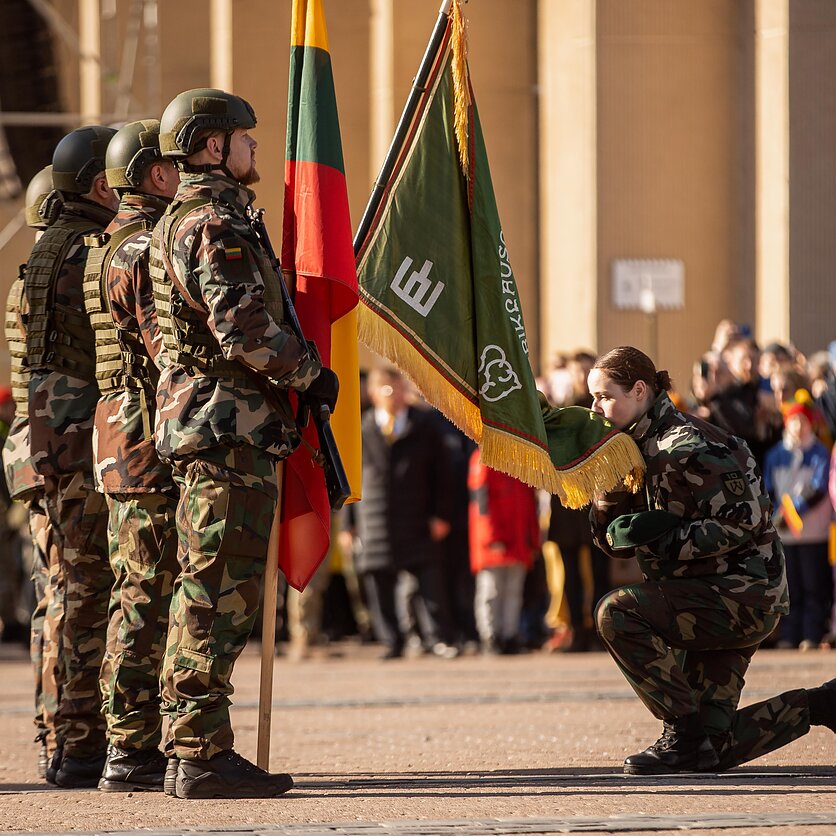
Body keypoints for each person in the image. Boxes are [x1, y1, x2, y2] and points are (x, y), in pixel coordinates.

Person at [150, 88, 337, 799]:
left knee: (205, 585)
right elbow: (245, 331)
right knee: (216, 591)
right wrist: (311, 374)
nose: (255, 148)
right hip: (227, 425)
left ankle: (188, 749)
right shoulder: (210, 222)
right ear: (210, 145)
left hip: (217, 422)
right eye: (244, 137)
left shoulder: (198, 216)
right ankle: (199, 752)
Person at [587, 345, 834, 776]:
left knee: (616, 613)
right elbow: (616, 542)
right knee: (710, 750)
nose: (595, 408)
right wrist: (607, 501)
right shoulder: (631, 449)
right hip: (703, 594)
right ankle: (824, 704)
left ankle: (680, 735)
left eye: (605, 396)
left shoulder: (690, 443)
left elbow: (746, 520)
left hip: (741, 595)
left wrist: (667, 540)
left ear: (640, 390)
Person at [82, 120, 181, 792]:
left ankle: (131, 740)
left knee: (139, 587)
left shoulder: (106, 245)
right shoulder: (142, 249)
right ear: (154, 174)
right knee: (147, 591)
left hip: (120, 428)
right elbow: (162, 346)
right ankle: (130, 747)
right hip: (144, 430)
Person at [25, 126, 118, 788]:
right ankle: (78, 742)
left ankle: (57, 732)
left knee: (57, 591)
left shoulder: (42, 251)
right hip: (71, 436)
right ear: (100, 185)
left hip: (38, 437)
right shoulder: (88, 252)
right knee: (84, 589)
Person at [353, 366, 456, 659]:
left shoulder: (425, 426)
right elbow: (351, 479)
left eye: (399, 389)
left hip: (418, 517)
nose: (395, 396)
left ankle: (438, 637)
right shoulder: (363, 428)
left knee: (430, 581)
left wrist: (442, 514)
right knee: (379, 583)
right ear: (373, 393)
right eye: (387, 390)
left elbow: (443, 474)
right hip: (374, 518)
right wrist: (350, 524)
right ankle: (391, 640)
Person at [763, 391, 833, 650]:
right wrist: (778, 513)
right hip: (786, 534)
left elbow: (819, 487)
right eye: (794, 421)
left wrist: (795, 509)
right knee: (791, 588)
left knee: (814, 585)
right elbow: (768, 488)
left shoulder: (819, 452)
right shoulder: (775, 454)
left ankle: (812, 634)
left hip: (813, 531)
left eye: (803, 421)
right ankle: (789, 635)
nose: (798, 426)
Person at [468, 449, 539, 654]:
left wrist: (532, 539)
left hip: (517, 540)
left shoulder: (521, 460)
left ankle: (509, 635)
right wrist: (491, 537)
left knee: (513, 591)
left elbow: (529, 503)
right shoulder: (483, 456)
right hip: (495, 540)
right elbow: (481, 504)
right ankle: (490, 636)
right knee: (492, 590)